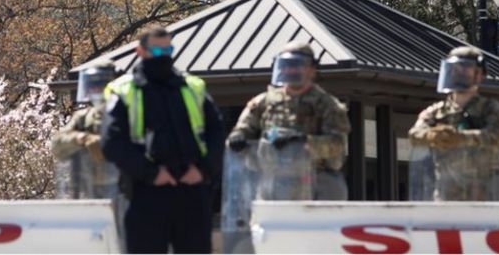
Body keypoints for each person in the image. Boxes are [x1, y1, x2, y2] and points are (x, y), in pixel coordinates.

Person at [101, 26, 224, 254]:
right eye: (158, 52)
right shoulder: (125, 90)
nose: (164, 57)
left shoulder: (191, 86)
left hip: (192, 189)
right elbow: (112, 142)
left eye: (169, 51)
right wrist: (151, 173)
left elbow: (217, 131)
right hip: (146, 192)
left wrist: (204, 170)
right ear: (141, 52)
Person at [226, 41, 351, 200]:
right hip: (273, 181)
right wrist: (238, 138)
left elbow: (337, 145)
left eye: (296, 65)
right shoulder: (264, 102)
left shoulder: (327, 105)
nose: (289, 70)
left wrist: (302, 141)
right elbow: (243, 129)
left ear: (311, 70)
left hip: (316, 182)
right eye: (285, 65)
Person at [408, 46, 499, 201]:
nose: (458, 74)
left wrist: (460, 138)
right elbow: (415, 135)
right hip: (446, 194)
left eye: (465, 69)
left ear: (479, 75)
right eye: (454, 69)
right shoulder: (436, 112)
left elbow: (495, 135)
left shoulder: (492, 110)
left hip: (484, 195)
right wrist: (435, 135)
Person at [52, 62, 118, 199]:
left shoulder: (126, 114)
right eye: (92, 85)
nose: (96, 90)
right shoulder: (83, 117)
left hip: (122, 188)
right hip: (88, 188)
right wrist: (81, 138)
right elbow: (57, 144)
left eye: (101, 85)